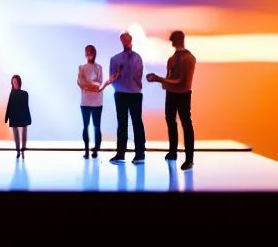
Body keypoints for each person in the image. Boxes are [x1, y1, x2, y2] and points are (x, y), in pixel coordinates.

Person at [146, 30, 197, 170]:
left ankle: (189, 158)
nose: (172, 43)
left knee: (186, 123)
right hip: (171, 94)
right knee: (171, 121)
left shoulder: (187, 58)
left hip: (182, 94)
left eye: (173, 40)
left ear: (178, 40)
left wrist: (158, 79)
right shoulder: (173, 58)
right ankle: (173, 152)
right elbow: (171, 79)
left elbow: (181, 81)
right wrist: (160, 80)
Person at [102, 32, 146, 164]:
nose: (125, 42)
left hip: (134, 93)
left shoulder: (137, 58)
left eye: (127, 40)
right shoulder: (115, 59)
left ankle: (140, 153)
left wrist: (136, 85)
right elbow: (112, 76)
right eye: (123, 40)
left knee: (137, 123)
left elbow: (139, 75)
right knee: (122, 123)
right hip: (121, 93)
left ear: (131, 40)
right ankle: (120, 153)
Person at [77, 45, 104, 159]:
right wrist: (90, 86)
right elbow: (79, 83)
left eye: (91, 52)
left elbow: (98, 84)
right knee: (85, 125)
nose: (89, 54)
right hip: (85, 101)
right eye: (87, 52)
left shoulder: (98, 67)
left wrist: (87, 85)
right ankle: (87, 149)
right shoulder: (82, 68)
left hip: (97, 101)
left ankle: (96, 149)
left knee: (96, 126)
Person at [4, 74, 31, 159]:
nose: (15, 84)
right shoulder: (12, 94)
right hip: (14, 117)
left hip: (22, 117)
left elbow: (25, 107)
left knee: (23, 134)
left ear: (19, 83)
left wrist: (27, 118)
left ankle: (23, 149)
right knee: (16, 135)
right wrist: (6, 117)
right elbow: (9, 105)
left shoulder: (24, 94)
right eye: (13, 83)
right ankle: (18, 150)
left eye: (16, 82)